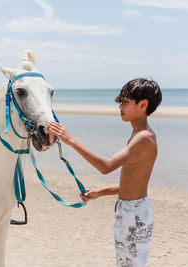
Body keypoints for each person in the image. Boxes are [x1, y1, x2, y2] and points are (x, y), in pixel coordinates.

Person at [48, 78, 162, 266]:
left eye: (126, 102)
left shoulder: (144, 138)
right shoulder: (139, 135)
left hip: (134, 214)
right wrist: (101, 192)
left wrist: (71, 140)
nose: (120, 107)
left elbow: (106, 167)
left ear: (143, 105)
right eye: (120, 102)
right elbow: (134, 183)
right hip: (130, 210)